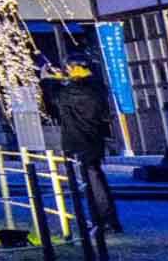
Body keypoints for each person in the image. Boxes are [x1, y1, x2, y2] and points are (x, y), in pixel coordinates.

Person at [42, 57, 121, 236]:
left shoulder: (70, 93)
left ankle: (104, 221)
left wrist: (48, 79)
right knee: (93, 179)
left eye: (69, 68)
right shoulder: (97, 89)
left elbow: (52, 102)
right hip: (93, 141)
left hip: (77, 142)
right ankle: (103, 221)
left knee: (91, 183)